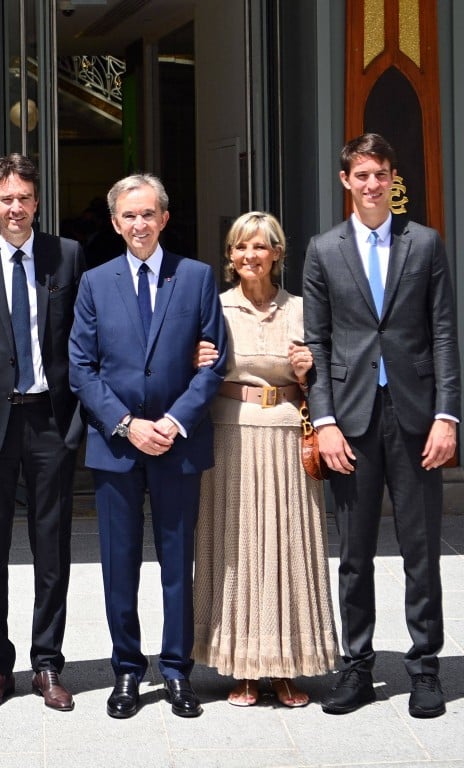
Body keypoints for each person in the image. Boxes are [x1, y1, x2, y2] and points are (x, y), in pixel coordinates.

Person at [303, 133, 460, 718]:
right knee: (355, 552)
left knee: (421, 551)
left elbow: (443, 332)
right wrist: (324, 421)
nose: (372, 185)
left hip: (418, 418)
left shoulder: (424, 243)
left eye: (382, 175)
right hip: (352, 419)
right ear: (345, 180)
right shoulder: (323, 249)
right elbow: (317, 341)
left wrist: (448, 416)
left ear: (393, 180)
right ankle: (357, 666)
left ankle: (424, 669)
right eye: (362, 175)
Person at [69, 173, 227, 719]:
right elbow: (82, 368)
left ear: (164, 218)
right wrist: (127, 423)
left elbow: (214, 364)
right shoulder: (94, 282)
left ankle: (178, 671)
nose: (139, 224)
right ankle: (128, 671)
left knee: (178, 560)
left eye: (148, 214)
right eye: (128, 216)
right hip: (116, 447)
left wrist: (174, 421)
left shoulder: (198, 277)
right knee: (120, 564)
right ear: (115, 224)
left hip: (178, 444)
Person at [0, 154, 85, 712]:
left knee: (52, 546)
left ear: (36, 201)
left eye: (24, 198)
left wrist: (78, 419)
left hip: (49, 421)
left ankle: (47, 663)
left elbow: (83, 337)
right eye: (5, 199)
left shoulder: (67, 256)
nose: (15, 208)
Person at [192, 211, 338, 708]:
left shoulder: (301, 308)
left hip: (287, 438)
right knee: (237, 547)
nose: (249, 256)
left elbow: (330, 373)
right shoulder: (215, 307)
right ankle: (241, 667)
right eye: (240, 247)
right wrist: (194, 358)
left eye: (260, 247)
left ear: (278, 253)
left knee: (287, 545)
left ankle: (287, 667)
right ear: (230, 257)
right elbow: (192, 366)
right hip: (230, 435)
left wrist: (309, 368)